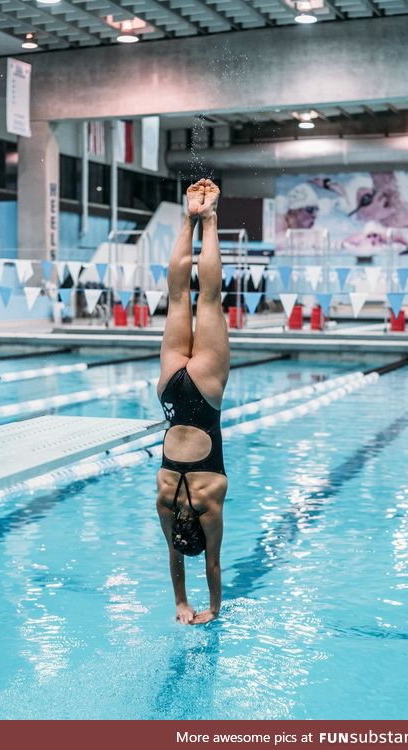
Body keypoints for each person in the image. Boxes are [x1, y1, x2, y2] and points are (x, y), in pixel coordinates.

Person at [156, 178, 229, 626]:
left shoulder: (210, 500)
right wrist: (180, 602)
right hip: (169, 388)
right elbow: (174, 555)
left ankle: (211, 217)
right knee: (179, 297)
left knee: (210, 299)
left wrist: (213, 608)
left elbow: (213, 565)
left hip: (204, 393)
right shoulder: (164, 499)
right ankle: (188, 217)